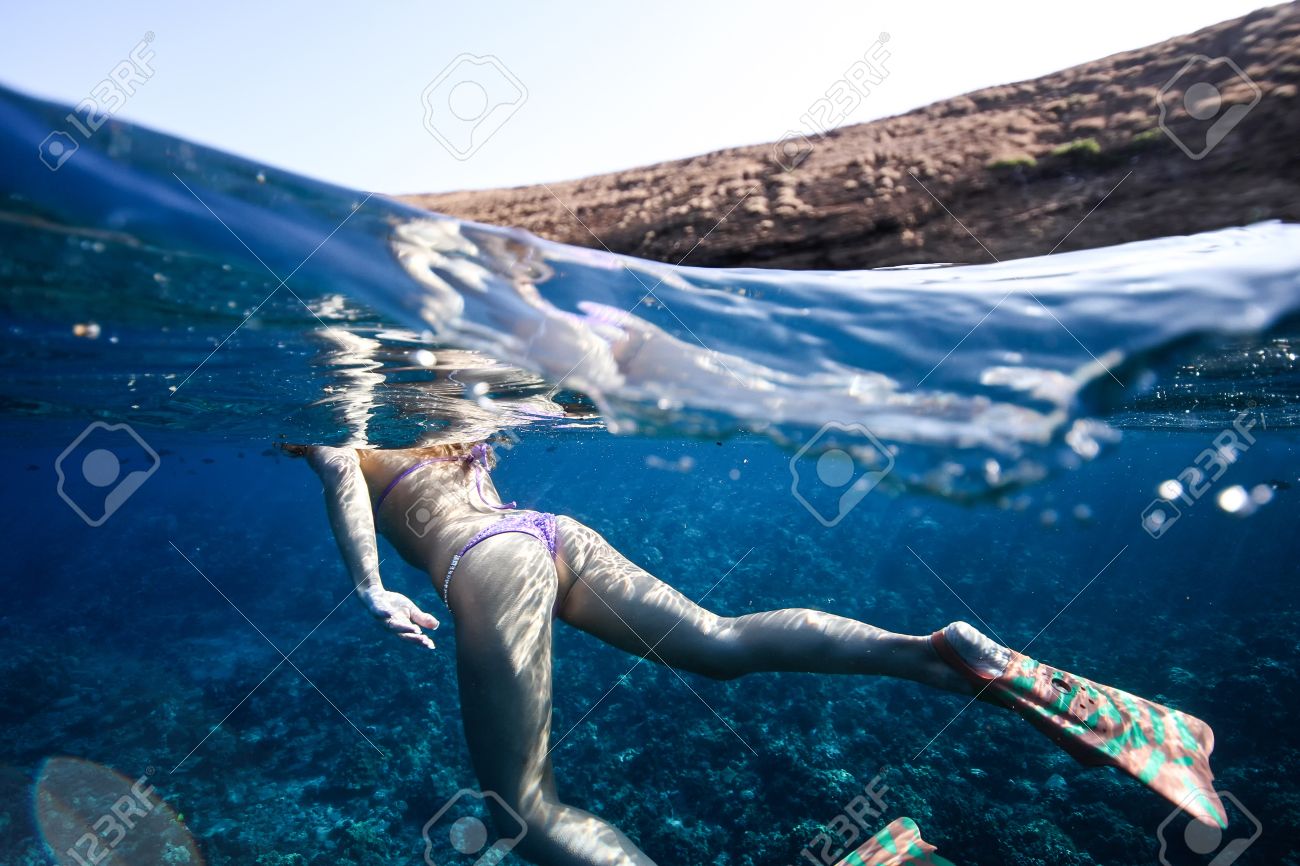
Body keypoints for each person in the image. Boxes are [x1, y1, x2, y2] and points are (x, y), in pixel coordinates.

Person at [289, 439, 1224, 866]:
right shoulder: (451, 411)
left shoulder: (347, 413)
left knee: (523, 809)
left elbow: (339, 474)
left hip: (483, 562)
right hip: (547, 533)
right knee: (723, 643)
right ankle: (935, 651)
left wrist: (371, 585)